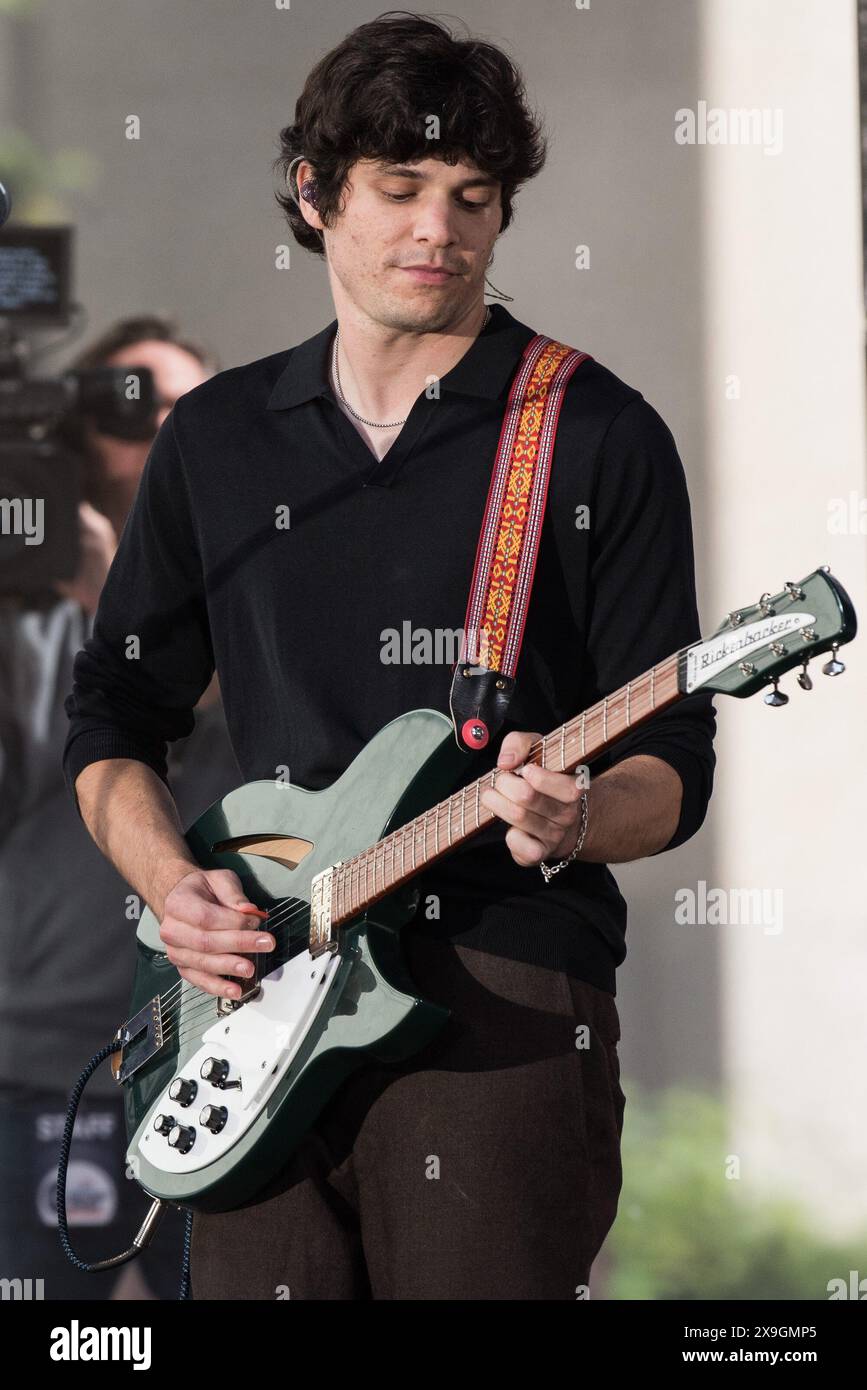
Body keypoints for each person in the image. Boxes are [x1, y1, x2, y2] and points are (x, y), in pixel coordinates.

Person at [62, 13, 716, 1300]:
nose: (441, 231)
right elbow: (112, 719)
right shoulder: (219, 438)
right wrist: (172, 888)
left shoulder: (593, 434)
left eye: (474, 198)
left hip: (504, 996)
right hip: (255, 1001)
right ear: (315, 194)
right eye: (402, 190)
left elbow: (673, 768)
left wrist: (576, 818)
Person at [0, 316, 241, 1300]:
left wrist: (116, 600)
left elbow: (215, 740)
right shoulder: (24, 596)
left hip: (217, 1047)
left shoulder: (254, 567)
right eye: (129, 410)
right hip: (36, 1061)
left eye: (187, 410)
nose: (159, 432)